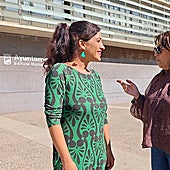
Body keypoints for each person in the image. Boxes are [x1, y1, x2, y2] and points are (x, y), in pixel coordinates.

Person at [43, 20, 115, 170]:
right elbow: (53, 119)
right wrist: (66, 161)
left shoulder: (95, 76)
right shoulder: (60, 72)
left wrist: (108, 150)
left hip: (98, 159)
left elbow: (103, 117)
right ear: (82, 44)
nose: (103, 46)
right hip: (74, 161)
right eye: (98, 41)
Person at [117, 31, 170, 170]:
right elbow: (148, 112)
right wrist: (137, 96)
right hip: (158, 146)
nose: (155, 54)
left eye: (159, 49)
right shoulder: (158, 79)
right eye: (155, 49)